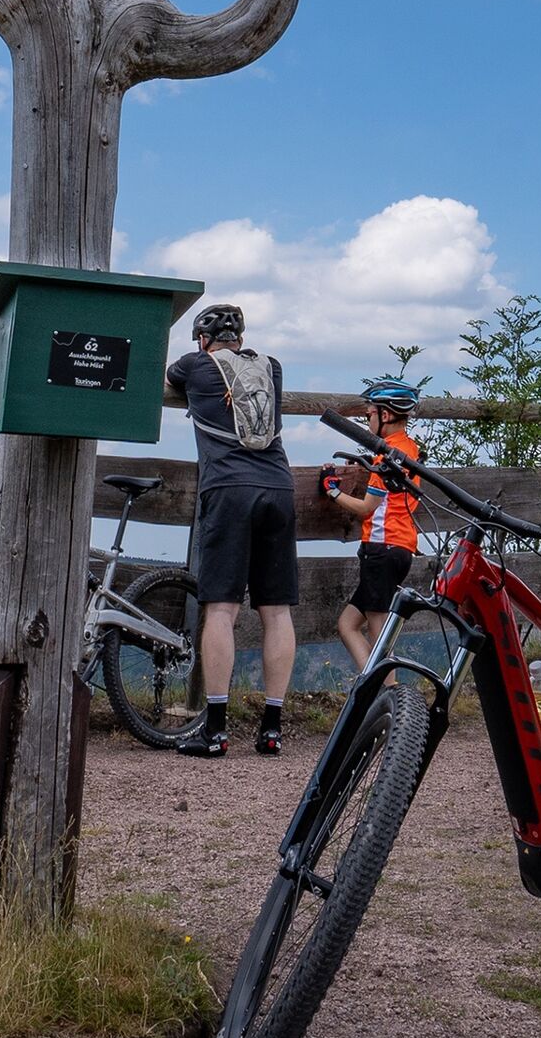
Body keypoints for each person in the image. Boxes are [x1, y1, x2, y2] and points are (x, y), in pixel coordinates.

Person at [166, 301, 297, 757]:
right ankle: (272, 730)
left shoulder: (194, 365)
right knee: (276, 611)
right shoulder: (272, 368)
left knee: (221, 610)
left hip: (228, 488)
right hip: (279, 486)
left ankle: (216, 731)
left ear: (203, 339)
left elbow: (169, 377)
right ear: (240, 339)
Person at [326, 378, 425, 668]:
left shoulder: (386, 457)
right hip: (401, 547)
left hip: (382, 547)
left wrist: (332, 491)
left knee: (377, 627)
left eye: (369, 413)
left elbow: (367, 507)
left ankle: (389, 690)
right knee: (347, 624)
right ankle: (371, 684)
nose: (367, 419)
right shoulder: (409, 449)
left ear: (386, 414)